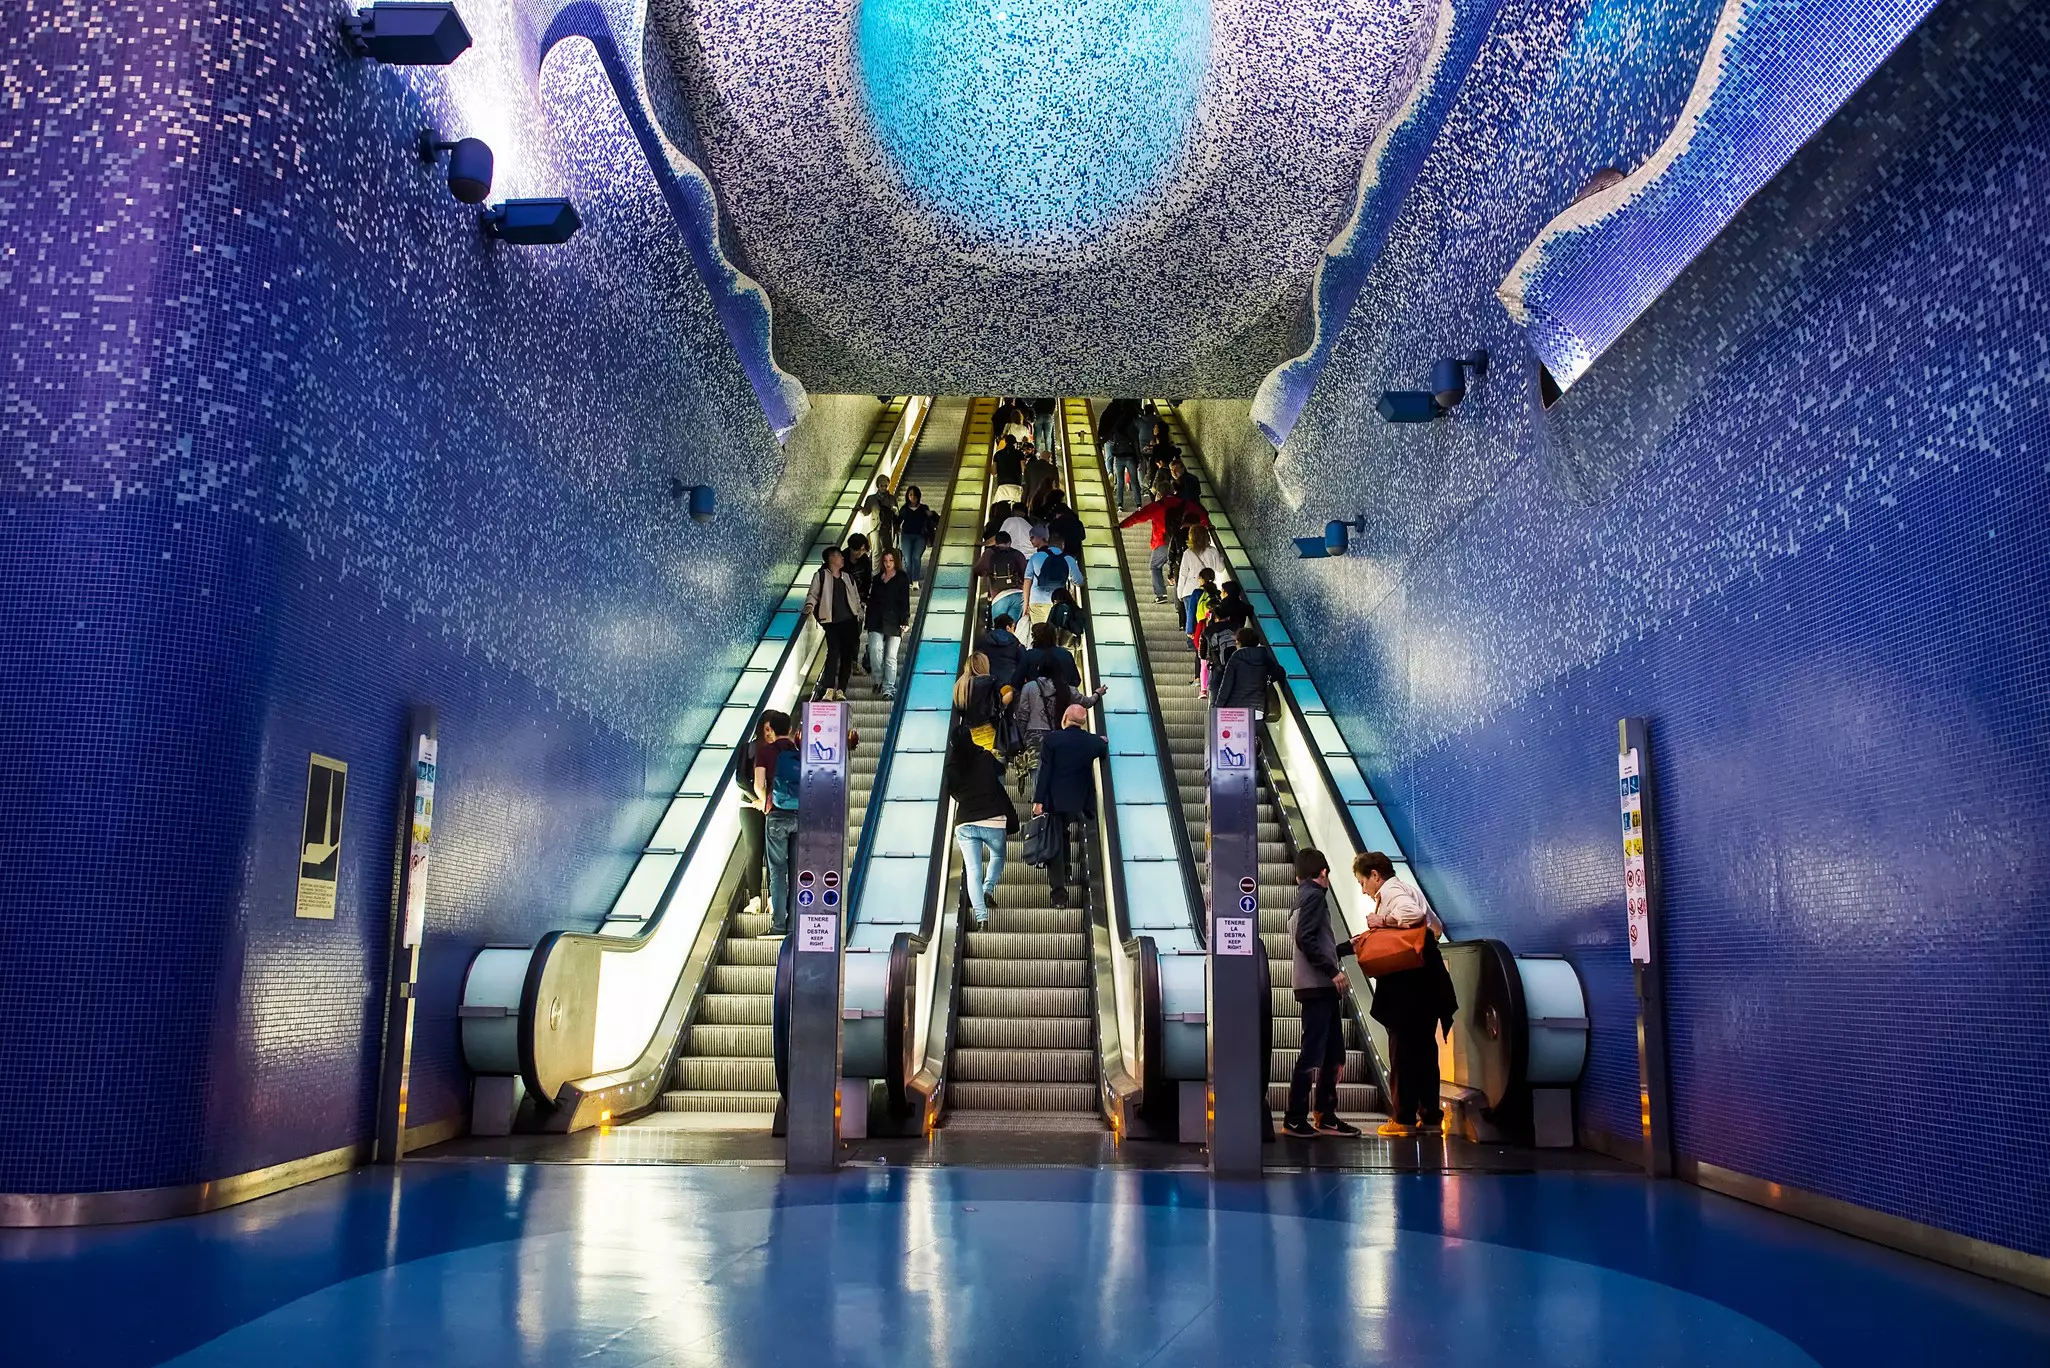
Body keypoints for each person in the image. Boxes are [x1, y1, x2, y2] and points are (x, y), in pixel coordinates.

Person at [1355, 851, 1456, 1137]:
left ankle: (1404, 1119)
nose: (1364, 889)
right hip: (1428, 982)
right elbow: (1435, 927)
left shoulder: (1393, 890)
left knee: (1402, 1051)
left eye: (1363, 882)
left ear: (1375, 874)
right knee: (1425, 1050)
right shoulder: (1410, 889)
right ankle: (1431, 1117)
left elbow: (1413, 915)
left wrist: (1381, 921)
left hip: (1406, 985)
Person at [1282, 848, 1363, 1138]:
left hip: (1317, 987)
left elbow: (1311, 939)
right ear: (1324, 873)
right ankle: (1295, 1117)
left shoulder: (1301, 898)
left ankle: (1325, 1115)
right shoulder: (1315, 897)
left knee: (1333, 1055)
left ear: (1297, 876)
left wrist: (1344, 948)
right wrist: (1333, 971)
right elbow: (1304, 939)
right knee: (1314, 1054)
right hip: (1318, 987)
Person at [1032, 704, 1109, 908]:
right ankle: (1067, 869)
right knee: (1063, 832)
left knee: (1055, 844)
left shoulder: (1052, 740)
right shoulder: (1092, 743)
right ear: (1083, 722)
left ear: (1065, 717)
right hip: (1079, 802)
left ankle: (1059, 894)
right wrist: (1101, 741)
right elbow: (1102, 747)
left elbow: (1045, 772)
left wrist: (1038, 801)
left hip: (1054, 801)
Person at [947, 721, 1018, 927]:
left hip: (965, 823)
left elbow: (951, 791)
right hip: (993, 819)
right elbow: (1000, 770)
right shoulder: (984, 756)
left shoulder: (951, 765)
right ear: (970, 738)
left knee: (972, 870)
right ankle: (988, 890)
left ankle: (981, 919)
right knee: (997, 856)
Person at [1118, 487, 1207, 602]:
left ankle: (1161, 594)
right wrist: (1207, 528)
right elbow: (1203, 517)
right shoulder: (1186, 504)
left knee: (1155, 566)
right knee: (1179, 570)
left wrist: (1121, 525)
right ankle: (1179, 600)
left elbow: (1138, 516)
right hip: (1186, 541)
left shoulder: (1158, 506)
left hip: (1163, 541)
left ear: (1159, 494)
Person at [755, 709, 800, 935]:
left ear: (771, 729)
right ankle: (795, 925)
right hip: (800, 815)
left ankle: (779, 925)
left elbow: (758, 785)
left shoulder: (765, 752)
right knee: (796, 870)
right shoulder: (800, 751)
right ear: (790, 730)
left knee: (777, 871)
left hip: (777, 816)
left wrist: (766, 803)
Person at [802, 546, 863, 701]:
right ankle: (829, 688)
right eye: (839, 556)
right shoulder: (821, 576)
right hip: (831, 622)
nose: (842, 558)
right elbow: (813, 594)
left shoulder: (848, 577)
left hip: (849, 620)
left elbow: (855, 598)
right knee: (833, 652)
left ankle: (841, 689)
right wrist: (810, 605)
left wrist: (859, 614)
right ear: (831, 558)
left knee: (847, 655)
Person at [864, 549, 911, 699]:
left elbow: (905, 600)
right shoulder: (877, 578)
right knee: (875, 650)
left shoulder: (902, 577)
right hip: (876, 619)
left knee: (891, 656)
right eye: (885, 561)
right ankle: (878, 679)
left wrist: (905, 620)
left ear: (896, 561)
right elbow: (872, 600)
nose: (888, 564)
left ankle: (888, 689)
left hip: (895, 620)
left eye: (891, 561)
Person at [1212, 625, 1287, 718]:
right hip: (1257, 711)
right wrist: (1266, 680)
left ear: (1240, 643)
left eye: (1236, 642)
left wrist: (1217, 709)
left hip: (1235, 711)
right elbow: (1280, 672)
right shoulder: (1264, 656)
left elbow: (1226, 686)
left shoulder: (1235, 659)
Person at [1178, 523, 1229, 636]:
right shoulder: (1213, 551)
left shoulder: (1188, 553)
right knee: (1205, 618)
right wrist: (1221, 557)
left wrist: (1180, 593)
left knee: (1191, 618)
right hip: (1208, 591)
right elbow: (1220, 568)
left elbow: (1183, 574)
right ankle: (1204, 644)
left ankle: (1193, 644)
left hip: (1189, 590)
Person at [973, 529, 1028, 628]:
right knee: (1012, 628)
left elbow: (979, 570)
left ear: (995, 542)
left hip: (999, 597)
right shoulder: (1017, 554)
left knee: (999, 629)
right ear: (1010, 543)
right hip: (1018, 595)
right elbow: (1026, 576)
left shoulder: (989, 553)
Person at [953, 652, 1004, 756]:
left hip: (970, 738)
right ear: (983, 665)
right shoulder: (991, 681)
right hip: (990, 734)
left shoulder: (959, 686)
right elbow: (1007, 693)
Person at [1025, 531, 1074, 626]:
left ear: (1048, 543)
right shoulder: (1068, 559)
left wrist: (1025, 604)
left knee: (1039, 632)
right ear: (1063, 545)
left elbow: (1027, 580)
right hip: (1057, 601)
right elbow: (1078, 581)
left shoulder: (1035, 557)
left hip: (1036, 601)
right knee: (1054, 632)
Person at [898, 484, 938, 587]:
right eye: (910, 495)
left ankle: (915, 580)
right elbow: (898, 521)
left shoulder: (924, 508)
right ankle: (909, 580)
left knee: (916, 557)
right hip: (906, 536)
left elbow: (934, 519)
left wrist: (931, 514)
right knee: (907, 559)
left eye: (915, 495)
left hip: (920, 536)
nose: (912, 497)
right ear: (907, 496)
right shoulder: (905, 508)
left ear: (918, 496)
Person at [977, 612, 1024, 691]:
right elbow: (1023, 661)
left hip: (989, 682)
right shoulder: (1015, 641)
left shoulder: (984, 640)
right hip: (1010, 683)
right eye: (1013, 628)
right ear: (1008, 628)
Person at [864, 473, 899, 554]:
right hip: (875, 527)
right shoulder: (871, 498)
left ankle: (886, 566)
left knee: (887, 551)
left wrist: (893, 511)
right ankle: (876, 567)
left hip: (887, 527)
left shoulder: (892, 498)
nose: (884, 488)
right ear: (877, 485)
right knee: (876, 551)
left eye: (886, 486)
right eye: (881, 485)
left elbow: (897, 514)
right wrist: (860, 509)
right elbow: (866, 512)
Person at [1022, 447, 1058, 511]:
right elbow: (1055, 486)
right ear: (1049, 458)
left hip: (1032, 498)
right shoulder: (1053, 469)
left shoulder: (1030, 467)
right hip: (1046, 499)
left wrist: (1023, 502)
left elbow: (1026, 485)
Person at [992, 434, 1025, 503]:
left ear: (1005, 442)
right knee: (1017, 507)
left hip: (1002, 486)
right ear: (1015, 443)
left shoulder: (997, 454)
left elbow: (994, 472)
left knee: (1001, 508)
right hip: (1016, 485)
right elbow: (1024, 469)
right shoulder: (1020, 453)